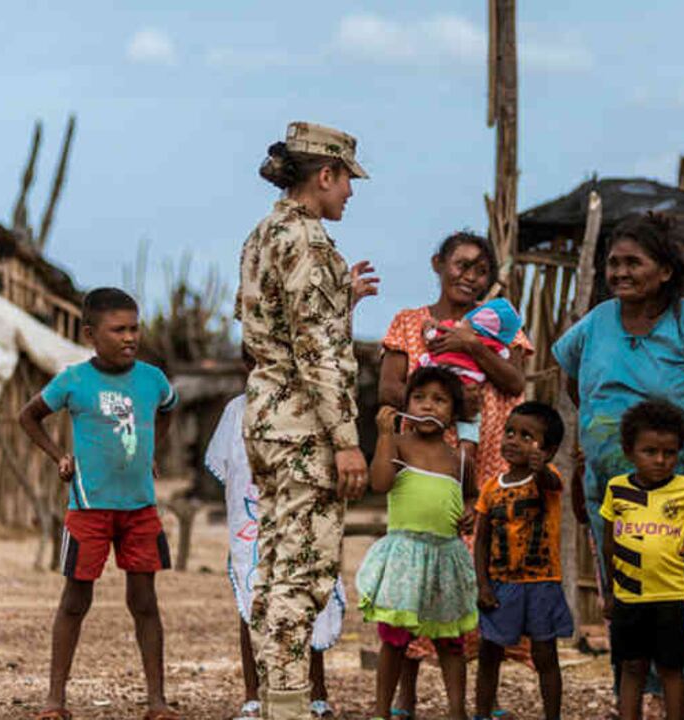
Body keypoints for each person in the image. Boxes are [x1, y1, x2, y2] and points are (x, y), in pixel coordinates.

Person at [553, 212, 684, 710]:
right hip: (611, 485)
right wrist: (602, 431)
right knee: (623, 581)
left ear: (664, 271)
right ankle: (632, 689)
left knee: (678, 575)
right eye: (613, 263)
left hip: (676, 481)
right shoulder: (595, 323)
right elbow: (576, 381)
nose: (619, 273)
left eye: (633, 262)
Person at [236, 121, 375, 720]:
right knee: (303, 574)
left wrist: (341, 300)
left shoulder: (263, 234)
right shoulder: (311, 243)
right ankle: (289, 708)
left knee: (273, 570)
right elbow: (319, 349)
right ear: (325, 175)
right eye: (346, 180)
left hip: (266, 417)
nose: (350, 192)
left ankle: (274, 699)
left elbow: (265, 329)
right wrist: (346, 442)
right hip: (303, 427)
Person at [378, 231, 531, 714]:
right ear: (437, 264)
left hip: (488, 468)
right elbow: (388, 386)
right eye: (461, 265)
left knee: (480, 576)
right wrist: (439, 394)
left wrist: (472, 344)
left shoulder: (501, 325)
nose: (470, 276)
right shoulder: (409, 323)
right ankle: (404, 699)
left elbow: (514, 379)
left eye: (481, 270)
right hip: (424, 466)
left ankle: (479, 700)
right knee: (416, 581)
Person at [19, 288, 180, 720]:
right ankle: (55, 699)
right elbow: (29, 416)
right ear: (91, 334)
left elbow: (167, 410)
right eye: (119, 330)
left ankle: (157, 701)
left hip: (140, 509)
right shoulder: (73, 381)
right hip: (89, 509)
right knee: (74, 600)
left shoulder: (153, 379)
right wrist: (60, 457)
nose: (130, 337)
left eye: (135, 328)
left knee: (145, 602)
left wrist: (152, 454)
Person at [204, 349, 345, 720]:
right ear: (246, 366)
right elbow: (228, 469)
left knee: (308, 601)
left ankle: (317, 692)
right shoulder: (236, 411)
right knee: (252, 603)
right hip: (253, 531)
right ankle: (254, 695)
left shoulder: (313, 405)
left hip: (303, 523)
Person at [599, 400, 684, 720]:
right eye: (650, 451)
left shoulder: (683, 488)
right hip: (629, 596)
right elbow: (608, 544)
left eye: (670, 453)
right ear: (630, 451)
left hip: (671, 598)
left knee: (673, 670)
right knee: (631, 667)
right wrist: (609, 592)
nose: (661, 460)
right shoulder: (616, 490)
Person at [358, 367, 478, 720]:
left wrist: (472, 510)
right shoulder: (397, 445)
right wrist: (384, 435)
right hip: (405, 556)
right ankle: (381, 712)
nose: (427, 406)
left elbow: (471, 496)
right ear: (406, 403)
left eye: (439, 400)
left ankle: (457, 711)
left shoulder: (460, 460)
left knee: (450, 641)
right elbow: (379, 483)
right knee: (395, 638)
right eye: (419, 398)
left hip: (446, 555)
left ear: (454, 414)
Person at [473, 401, 573, 720]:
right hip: (501, 585)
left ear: (549, 449)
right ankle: (482, 712)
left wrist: (540, 465)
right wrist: (483, 584)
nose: (513, 440)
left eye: (526, 436)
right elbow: (482, 540)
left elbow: (550, 482)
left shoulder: (548, 479)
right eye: (510, 432)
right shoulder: (490, 488)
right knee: (490, 651)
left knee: (545, 654)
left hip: (541, 584)